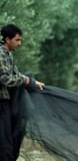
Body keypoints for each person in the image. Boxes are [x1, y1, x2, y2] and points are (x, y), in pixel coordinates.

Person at [0, 24, 45, 161]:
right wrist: (25, 80)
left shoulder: (8, 54)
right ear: (7, 39)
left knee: (8, 140)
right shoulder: (0, 54)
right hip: (1, 103)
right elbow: (5, 78)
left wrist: (31, 82)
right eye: (17, 40)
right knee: (4, 142)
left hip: (5, 102)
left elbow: (15, 74)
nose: (20, 43)